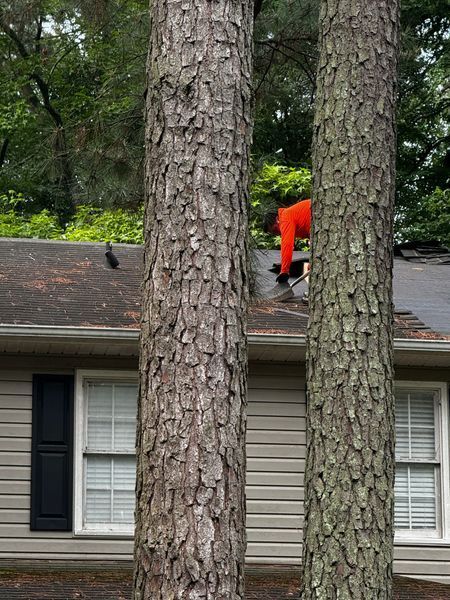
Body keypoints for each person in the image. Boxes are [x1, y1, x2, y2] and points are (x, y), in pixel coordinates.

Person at [263, 199, 311, 283]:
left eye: (275, 230)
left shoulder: (285, 217)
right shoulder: (293, 215)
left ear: (277, 219)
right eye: (274, 234)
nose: (277, 233)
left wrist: (284, 271)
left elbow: (287, 245)